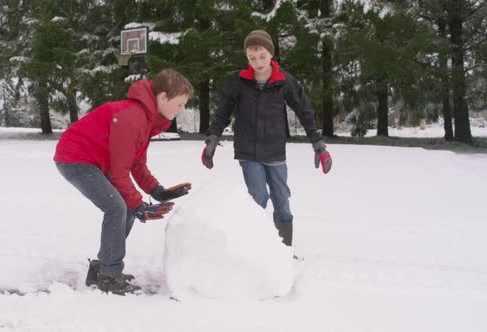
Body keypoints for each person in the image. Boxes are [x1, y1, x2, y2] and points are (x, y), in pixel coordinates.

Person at [54, 69, 194, 295]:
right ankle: (109, 276)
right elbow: (120, 173)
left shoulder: (146, 119)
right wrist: (139, 206)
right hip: (75, 158)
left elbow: (136, 164)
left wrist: (158, 192)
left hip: (96, 162)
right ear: (163, 98)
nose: (182, 109)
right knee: (117, 208)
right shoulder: (133, 118)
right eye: (179, 104)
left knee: (124, 207)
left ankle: (103, 267)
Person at [201, 29, 332, 252]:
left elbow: (305, 111)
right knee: (258, 198)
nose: (258, 62)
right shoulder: (239, 82)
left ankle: (282, 252)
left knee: (282, 200)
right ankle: (256, 250)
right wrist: (212, 139)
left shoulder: (284, 81)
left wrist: (318, 145)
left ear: (271, 54)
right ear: (246, 57)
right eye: (252, 58)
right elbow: (222, 112)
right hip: (248, 152)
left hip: (275, 152)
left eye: (262, 56)